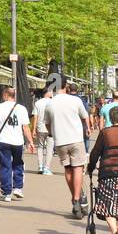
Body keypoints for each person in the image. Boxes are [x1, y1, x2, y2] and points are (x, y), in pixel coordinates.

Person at [46, 82, 90, 218]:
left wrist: (52, 133)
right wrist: (88, 128)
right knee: (78, 169)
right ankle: (77, 199)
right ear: (66, 87)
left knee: (68, 169)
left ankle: (75, 199)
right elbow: (85, 117)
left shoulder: (50, 103)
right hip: (76, 139)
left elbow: (47, 124)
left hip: (60, 141)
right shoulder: (75, 100)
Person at [0, 86, 34, 203]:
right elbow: (25, 127)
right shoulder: (22, 109)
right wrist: (30, 141)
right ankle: (18, 187)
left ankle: (7, 192)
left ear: (5, 95)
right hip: (18, 141)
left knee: (5, 166)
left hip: (3, 140)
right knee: (18, 164)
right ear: (14, 96)